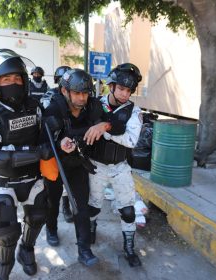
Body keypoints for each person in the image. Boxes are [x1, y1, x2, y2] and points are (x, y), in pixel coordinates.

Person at [0, 49, 52, 280]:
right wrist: (37, 153)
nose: (13, 83)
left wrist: (54, 133)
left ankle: (27, 250)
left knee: (37, 219)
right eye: (6, 79)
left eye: (17, 78)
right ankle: (3, 271)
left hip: (33, 179)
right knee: (6, 235)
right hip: (3, 180)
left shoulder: (34, 107)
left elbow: (44, 136)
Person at [41, 68, 109, 266]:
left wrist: (102, 125)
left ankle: (84, 250)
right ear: (65, 91)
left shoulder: (93, 107)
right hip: (55, 162)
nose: (82, 98)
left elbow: (111, 122)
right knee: (52, 201)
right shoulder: (53, 109)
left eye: (85, 93)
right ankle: (51, 228)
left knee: (81, 207)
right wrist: (60, 141)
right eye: (77, 93)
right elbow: (42, 142)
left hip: (77, 162)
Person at [85, 63, 143, 267]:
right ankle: (90, 230)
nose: (125, 94)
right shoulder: (95, 105)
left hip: (120, 167)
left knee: (128, 210)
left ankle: (129, 248)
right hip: (96, 166)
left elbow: (130, 140)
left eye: (129, 90)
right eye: (121, 88)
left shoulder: (134, 111)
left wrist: (106, 129)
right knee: (92, 207)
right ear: (111, 86)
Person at [42, 65, 74, 227]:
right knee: (51, 192)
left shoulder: (75, 97)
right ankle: (51, 227)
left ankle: (66, 207)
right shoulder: (49, 97)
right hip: (52, 149)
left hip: (69, 149)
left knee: (67, 185)